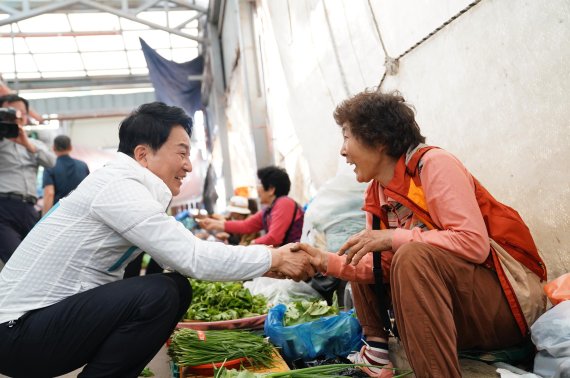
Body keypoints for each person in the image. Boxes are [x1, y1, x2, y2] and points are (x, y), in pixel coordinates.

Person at [0, 102, 314, 378]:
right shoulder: (119, 186)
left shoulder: (121, 184)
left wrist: (263, 265)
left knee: (174, 288)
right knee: (161, 293)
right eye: (182, 152)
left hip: (32, 330)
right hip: (18, 334)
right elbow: (191, 257)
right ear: (143, 155)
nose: (189, 165)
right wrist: (275, 257)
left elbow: (177, 254)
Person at [295, 90, 547, 377]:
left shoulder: (433, 165)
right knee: (367, 249)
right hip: (454, 311)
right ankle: (377, 354)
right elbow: (378, 267)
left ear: (378, 140)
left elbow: (474, 244)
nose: (342, 150)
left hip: (503, 308)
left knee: (411, 255)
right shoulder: (376, 193)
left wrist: (393, 238)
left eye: (346, 136)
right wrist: (322, 260)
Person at [0, 94, 56, 266]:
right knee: (16, 262)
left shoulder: (33, 143)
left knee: (40, 259)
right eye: (10, 112)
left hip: (28, 209)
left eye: (21, 113)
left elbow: (51, 161)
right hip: (3, 207)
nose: (17, 116)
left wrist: (28, 145)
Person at [199, 166, 304, 247]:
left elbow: (274, 238)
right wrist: (215, 224)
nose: (257, 188)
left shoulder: (284, 203)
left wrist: (250, 246)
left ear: (271, 189)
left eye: (260, 184)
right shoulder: (269, 210)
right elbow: (246, 225)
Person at [42, 134, 90, 215]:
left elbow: (49, 193)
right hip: (80, 211)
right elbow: (89, 190)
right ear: (70, 147)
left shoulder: (50, 166)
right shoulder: (83, 166)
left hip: (59, 213)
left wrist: (44, 217)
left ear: (53, 148)